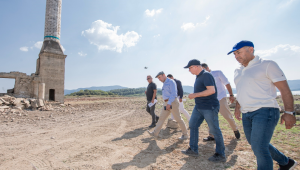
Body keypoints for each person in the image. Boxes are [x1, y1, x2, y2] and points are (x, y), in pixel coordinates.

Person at [229, 40, 297, 170]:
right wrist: (238, 106)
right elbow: (242, 89)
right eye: (234, 54)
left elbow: (284, 89)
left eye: (239, 52)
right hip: (247, 113)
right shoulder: (238, 70)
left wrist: (289, 112)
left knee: (259, 147)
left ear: (251, 49)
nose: (236, 56)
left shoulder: (267, 64)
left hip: (265, 110)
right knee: (255, 144)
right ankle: (285, 162)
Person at [181, 59, 226, 162]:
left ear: (196, 66)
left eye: (190, 68)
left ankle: (220, 154)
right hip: (199, 107)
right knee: (192, 125)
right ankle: (193, 149)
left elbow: (212, 90)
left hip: (209, 107)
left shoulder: (206, 75)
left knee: (214, 130)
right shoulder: (199, 77)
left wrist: (194, 95)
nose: (189, 70)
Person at [200, 63, 240, 141]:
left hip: (221, 98)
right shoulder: (202, 78)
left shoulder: (217, 73)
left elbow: (227, 83)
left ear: (207, 68)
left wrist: (231, 95)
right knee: (210, 118)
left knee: (227, 116)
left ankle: (235, 129)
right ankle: (212, 136)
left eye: (203, 69)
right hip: (210, 100)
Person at [148, 71, 188, 140]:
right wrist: (166, 103)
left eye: (160, 77)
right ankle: (155, 133)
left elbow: (174, 94)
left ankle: (185, 135)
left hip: (172, 102)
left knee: (178, 119)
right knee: (161, 118)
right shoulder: (164, 83)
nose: (159, 79)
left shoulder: (171, 82)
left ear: (164, 75)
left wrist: (169, 103)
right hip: (166, 103)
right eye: (158, 78)